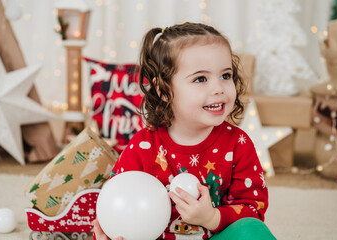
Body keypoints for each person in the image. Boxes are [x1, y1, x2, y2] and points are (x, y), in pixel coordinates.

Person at [93, 22, 276, 240]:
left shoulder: (238, 144)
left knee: (252, 231)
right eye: (200, 79)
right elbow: (117, 200)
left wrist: (211, 218)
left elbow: (253, 209)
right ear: (164, 91)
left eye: (225, 75)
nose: (219, 88)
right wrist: (110, 233)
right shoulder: (143, 145)